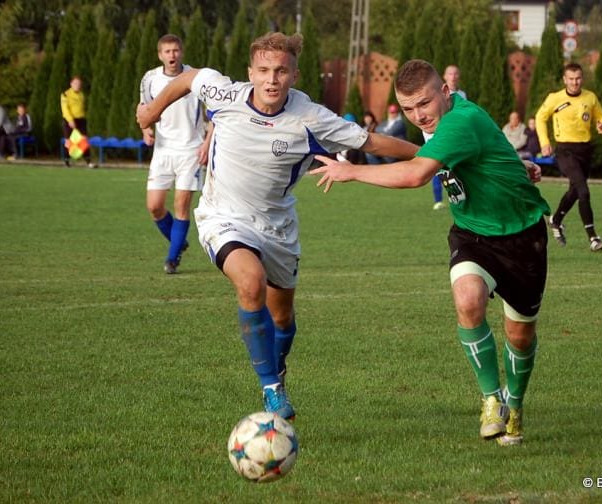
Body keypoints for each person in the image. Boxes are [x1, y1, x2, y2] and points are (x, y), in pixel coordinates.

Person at [136, 32, 418, 421]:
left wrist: (435, 156)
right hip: (223, 217)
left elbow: (372, 143)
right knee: (250, 283)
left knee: (282, 318)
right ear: (250, 72)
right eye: (264, 70)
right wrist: (152, 111)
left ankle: (277, 373)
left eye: (281, 71)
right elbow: (188, 79)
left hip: (278, 228)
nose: (272, 79)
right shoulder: (224, 94)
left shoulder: (312, 118)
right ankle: (270, 389)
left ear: (295, 75)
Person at [310, 59, 550, 446]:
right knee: (468, 299)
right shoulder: (438, 125)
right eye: (408, 109)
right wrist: (517, 164)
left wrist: (352, 171)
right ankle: (491, 399)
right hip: (472, 234)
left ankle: (515, 404)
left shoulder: (459, 120)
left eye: (424, 104)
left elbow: (416, 174)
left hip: (522, 238)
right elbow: (466, 151)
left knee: (519, 336)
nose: (419, 116)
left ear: (444, 92)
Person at [140, 34, 211, 275]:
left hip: (190, 150)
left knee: (181, 204)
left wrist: (206, 144)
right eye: (167, 51)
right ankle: (178, 240)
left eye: (176, 50)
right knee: (154, 207)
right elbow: (143, 109)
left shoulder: (196, 78)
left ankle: (172, 259)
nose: (172, 55)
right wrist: (145, 129)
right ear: (160, 55)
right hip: (162, 150)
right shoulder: (150, 78)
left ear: (182, 52)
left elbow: (214, 115)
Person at [535, 62, 602, 251]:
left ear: (582, 78)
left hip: (585, 150)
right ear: (564, 80)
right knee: (583, 191)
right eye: (571, 79)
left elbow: (601, 115)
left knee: (575, 191)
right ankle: (593, 237)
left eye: (578, 79)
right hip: (565, 150)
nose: (575, 82)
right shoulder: (554, 98)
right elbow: (540, 118)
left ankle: (556, 220)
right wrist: (544, 142)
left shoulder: (590, 97)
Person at [431, 64, 468, 209]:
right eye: (450, 74)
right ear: (444, 76)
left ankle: (460, 198)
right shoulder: (439, 94)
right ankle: (438, 200)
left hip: (457, 136)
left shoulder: (462, 95)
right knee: (437, 166)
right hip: (441, 134)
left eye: (455, 74)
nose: (453, 76)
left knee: (457, 168)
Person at [61, 76, 95, 168]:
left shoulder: (81, 94)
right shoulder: (65, 94)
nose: (77, 85)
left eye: (79, 84)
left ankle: (88, 161)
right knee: (68, 141)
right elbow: (65, 109)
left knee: (84, 140)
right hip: (69, 120)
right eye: (75, 83)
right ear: (71, 84)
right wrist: (70, 120)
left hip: (81, 120)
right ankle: (66, 161)